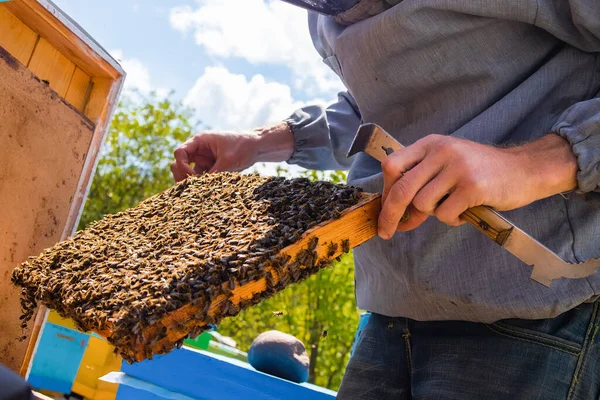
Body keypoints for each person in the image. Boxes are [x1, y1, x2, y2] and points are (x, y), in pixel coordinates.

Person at [171, 0, 600, 398]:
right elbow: (373, 112)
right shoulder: (322, 17)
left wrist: (538, 163)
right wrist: (261, 142)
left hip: (534, 311)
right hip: (388, 309)